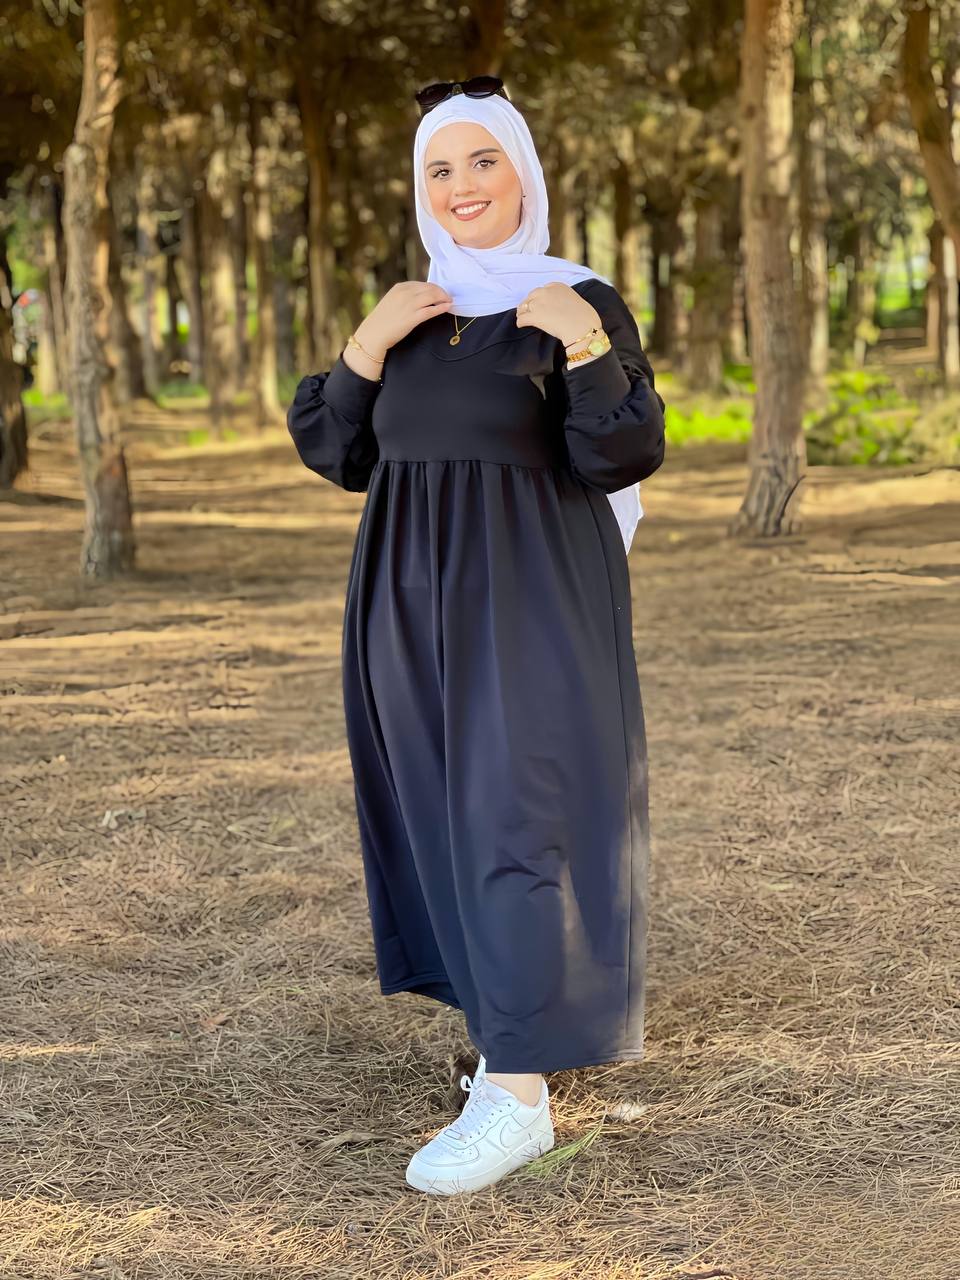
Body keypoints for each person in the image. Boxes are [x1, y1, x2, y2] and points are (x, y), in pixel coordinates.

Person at [287, 76, 666, 1196]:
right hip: (406, 609)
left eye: (483, 160)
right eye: (439, 168)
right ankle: (511, 1030)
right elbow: (339, 453)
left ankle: (518, 1099)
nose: (462, 186)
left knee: (518, 815)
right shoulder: (412, 311)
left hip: (531, 599)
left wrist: (585, 341)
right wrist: (365, 343)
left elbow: (620, 451)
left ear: (524, 173)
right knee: (441, 817)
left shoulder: (576, 298)